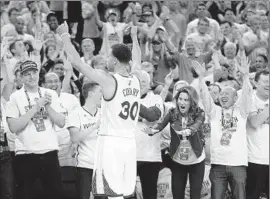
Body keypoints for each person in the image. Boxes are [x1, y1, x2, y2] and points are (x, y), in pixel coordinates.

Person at [58, 22, 141, 199]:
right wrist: (134, 37)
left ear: (115, 61)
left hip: (111, 142)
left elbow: (78, 63)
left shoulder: (109, 81)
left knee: (109, 194)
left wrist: (65, 36)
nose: (106, 59)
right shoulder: (135, 78)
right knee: (123, 194)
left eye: (109, 57)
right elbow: (137, 57)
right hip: (130, 143)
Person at [5, 60, 66, 199]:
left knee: (56, 195)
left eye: (34, 73)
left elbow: (61, 122)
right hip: (26, 155)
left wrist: (48, 107)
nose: (31, 77)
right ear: (21, 77)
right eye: (27, 74)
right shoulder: (15, 97)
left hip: (50, 153)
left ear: (38, 74)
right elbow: (14, 127)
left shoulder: (50, 93)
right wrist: (36, 107)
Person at [196, 55, 252, 199]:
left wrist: (246, 76)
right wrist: (201, 79)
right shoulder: (215, 112)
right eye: (221, 94)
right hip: (218, 164)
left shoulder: (241, 112)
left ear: (235, 98)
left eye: (227, 93)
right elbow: (205, 98)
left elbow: (247, 94)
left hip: (238, 164)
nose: (223, 96)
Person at [144, 85, 206, 199]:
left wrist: (189, 130)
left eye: (186, 100)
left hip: (197, 161)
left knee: (195, 196)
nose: (182, 102)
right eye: (180, 99)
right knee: (177, 195)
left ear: (192, 101)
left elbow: (198, 124)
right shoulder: (172, 113)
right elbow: (161, 124)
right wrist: (152, 130)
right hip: (178, 161)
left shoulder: (199, 113)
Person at [67, 82, 102, 199]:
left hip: (104, 166)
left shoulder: (104, 113)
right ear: (91, 94)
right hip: (85, 166)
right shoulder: (76, 113)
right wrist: (95, 126)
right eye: (100, 92)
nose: (103, 95)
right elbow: (74, 138)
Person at [246, 70, 269, 199]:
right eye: (265, 81)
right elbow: (254, 122)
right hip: (255, 160)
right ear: (255, 83)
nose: (268, 84)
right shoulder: (250, 99)